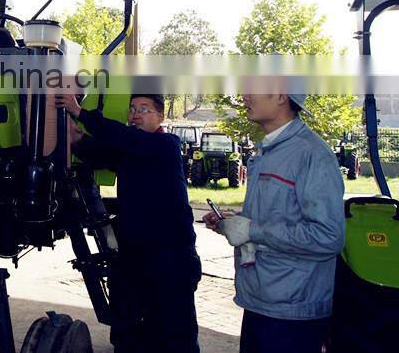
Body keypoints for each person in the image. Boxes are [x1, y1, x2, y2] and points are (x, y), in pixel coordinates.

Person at [57, 93, 201, 353]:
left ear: (160, 116)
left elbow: (122, 138)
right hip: (135, 256)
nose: (135, 114)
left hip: (171, 258)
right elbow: (102, 152)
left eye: (144, 109)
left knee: (176, 333)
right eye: (132, 109)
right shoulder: (131, 152)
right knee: (130, 331)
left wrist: (80, 112)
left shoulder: (166, 145)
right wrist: (76, 138)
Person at [202, 94, 345, 353]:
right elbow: (276, 217)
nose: (244, 95)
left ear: (281, 96)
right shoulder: (269, 150)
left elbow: (328, 236)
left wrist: (253, 230)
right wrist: (231, 224)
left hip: (293, 313)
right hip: (262, 300)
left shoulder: (311, 154)